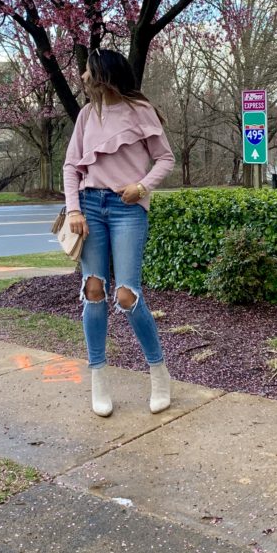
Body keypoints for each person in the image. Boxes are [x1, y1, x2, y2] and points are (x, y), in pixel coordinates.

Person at [62, 48, 175, 417]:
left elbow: (165, 159)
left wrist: (141, 188)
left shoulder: (140, 111)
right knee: (93, 290)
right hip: (90, 207)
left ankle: (158, 373)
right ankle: (99, 378)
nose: (82, 76)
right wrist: (75, 209)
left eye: (88, 70)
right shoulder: (86, 116)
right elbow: (70, 168)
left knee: (127, 295)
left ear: (104, 74)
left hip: (128, 209)